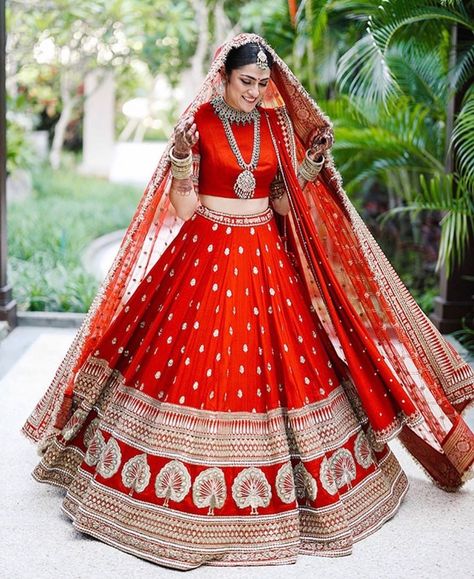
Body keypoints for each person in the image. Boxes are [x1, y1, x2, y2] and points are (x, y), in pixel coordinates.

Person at [22, 33, 473, 570]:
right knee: (186, 361)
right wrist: (185, 159)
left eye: (262, 84)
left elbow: (283, 207)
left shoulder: (276, 126)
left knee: (280, 363)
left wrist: (306, 173)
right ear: (223, 76)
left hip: (264, 257)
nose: (255, 92)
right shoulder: (200, 126)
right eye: (246, 83)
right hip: (204, 249)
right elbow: (185, 208)